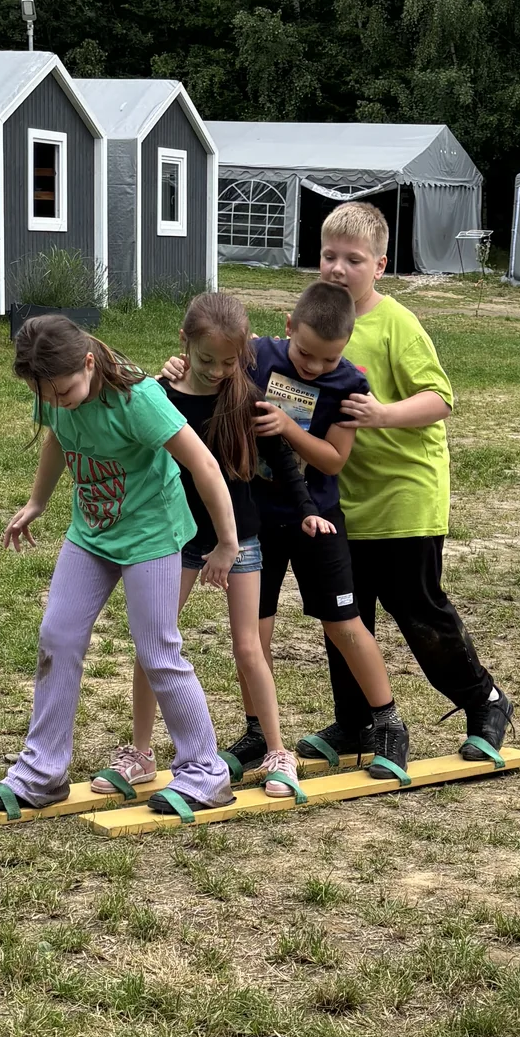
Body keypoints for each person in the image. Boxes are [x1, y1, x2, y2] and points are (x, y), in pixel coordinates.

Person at [0, 314, 236, 823]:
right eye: (46, 395)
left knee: (157, 647)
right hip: (92, 533)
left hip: (150, 535)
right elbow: (56, 437)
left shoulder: (136, 400)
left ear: (90, 363)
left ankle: (206, 770)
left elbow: (202, 464)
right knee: (58, 635)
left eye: (66, 390)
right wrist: (38, 501)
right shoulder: (52, 386)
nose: (57, 402)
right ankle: (42, 773)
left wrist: (226, 542)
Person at [303, 203, 512, 766]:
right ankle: (356, 725)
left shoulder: (395, 322)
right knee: (344, 615)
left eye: (354, 259)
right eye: (329, 256)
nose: (339, 268)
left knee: (417, 610)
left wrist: (382, 415)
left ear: (380, 265)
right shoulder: (318, 320)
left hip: (403, 495)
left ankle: (485, 701)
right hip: (341, 499)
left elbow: (440, 398)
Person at [100, 290, 310, 802]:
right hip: (175, 537)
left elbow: (282, 457)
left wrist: (307, 511)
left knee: (248, 647)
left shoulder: (250, 395)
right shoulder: (162, 394)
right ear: (184, 345)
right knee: (155, 643)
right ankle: (142, 753)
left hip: (240, 538)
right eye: (205, 359)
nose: (217, 370)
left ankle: (278, 752)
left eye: (228, 360)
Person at [244, 280, 413, 780]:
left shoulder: (350, 386)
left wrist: (289, 428)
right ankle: (259, 732)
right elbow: (204, 363)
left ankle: (386, 725)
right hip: (258, 520)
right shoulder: (254, 355)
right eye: (306, 354)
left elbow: (335, 459)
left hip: (318, 520)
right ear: (288, 327)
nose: (314, 367)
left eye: (327, 359)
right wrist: (178, 366)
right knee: (254, 633)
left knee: (344, 623)